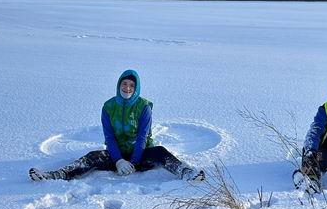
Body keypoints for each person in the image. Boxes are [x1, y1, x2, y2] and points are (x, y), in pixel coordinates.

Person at [29, 69, 204, 182]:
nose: (127, 88)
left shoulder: (144, 107)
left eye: (132, 85)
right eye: (125, 83)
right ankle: (56, 175)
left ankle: (187, 173)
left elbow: (142, 137)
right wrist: (119, 160)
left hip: (141, 154)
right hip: (116, 155)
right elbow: (109, 137)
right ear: (119, 84)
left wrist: (134, 162)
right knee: (92, 157)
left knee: (160, 152)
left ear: (136, 88)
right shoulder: (108, 107)